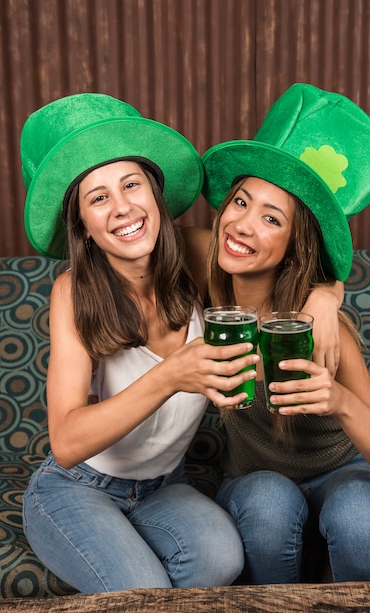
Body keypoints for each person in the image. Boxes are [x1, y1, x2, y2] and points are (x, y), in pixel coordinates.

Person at [20, 93, 258, 593]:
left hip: (162, 487)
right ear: (82, 225)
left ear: (155, 194)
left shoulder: (196, 256)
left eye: (132, 185)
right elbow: (65, 443)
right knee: (144, 593)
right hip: (75, 486)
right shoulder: (73, 291)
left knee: (221, 562)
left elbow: (298, 260)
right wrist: (170, 376)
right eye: (99, 197)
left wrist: (326, 299)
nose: (123, 207)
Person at [186, 83, 370, 583]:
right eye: (240, 202)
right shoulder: (204, 268)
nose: (243, 225)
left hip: (346, 473)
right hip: (255, 479)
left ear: (293, 247)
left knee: (356, 514)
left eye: (271, 218)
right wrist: (331, 290)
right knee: (268, 502)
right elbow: (145, 231)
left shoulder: (324, 333)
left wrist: (338, 399)